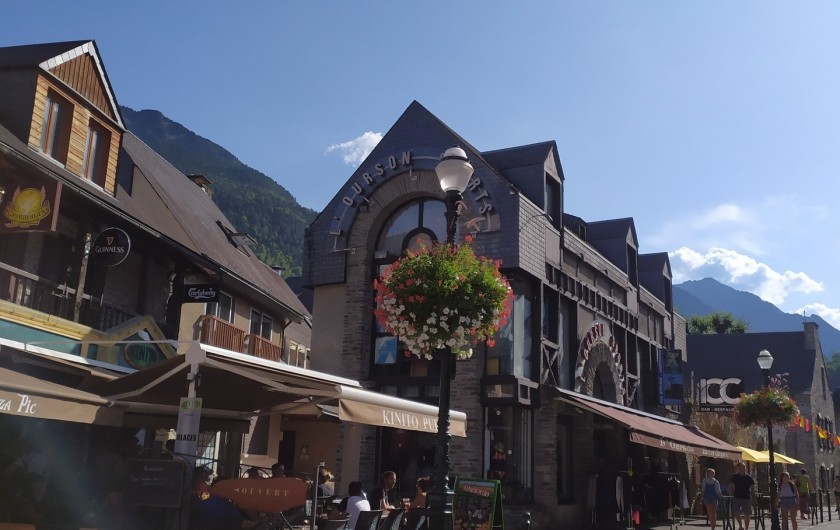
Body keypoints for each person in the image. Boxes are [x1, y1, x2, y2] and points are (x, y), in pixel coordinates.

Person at [729, 462, 755, 530]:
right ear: (738, 468)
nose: (743, 468)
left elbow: (752, 487)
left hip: (746, 497)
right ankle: (741, 525)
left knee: (747, 514)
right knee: (736, 511)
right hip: (737, 496)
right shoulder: (734, 476)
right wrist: (730, 495)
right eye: (741, 467)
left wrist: (753, 497)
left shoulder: (748, 477)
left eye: (744, 467)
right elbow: (731, 486)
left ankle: (746, 528)